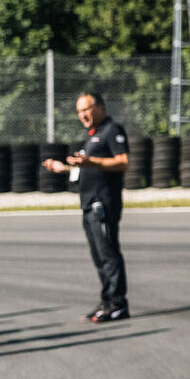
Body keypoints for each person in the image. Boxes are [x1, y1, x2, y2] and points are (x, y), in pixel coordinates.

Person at [41, 92, 129, 321]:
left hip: (104, 203)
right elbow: (89, 168)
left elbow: (122, 162)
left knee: (108, 252)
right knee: (98, 254)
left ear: (100, 107)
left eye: (86, 109)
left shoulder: (112, 131)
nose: (83, 115)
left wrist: (91, 161)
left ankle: (118, 303)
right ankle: (107, 300)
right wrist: (65, 169)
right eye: (79, 111)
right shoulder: (93, 136)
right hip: (88, 203)